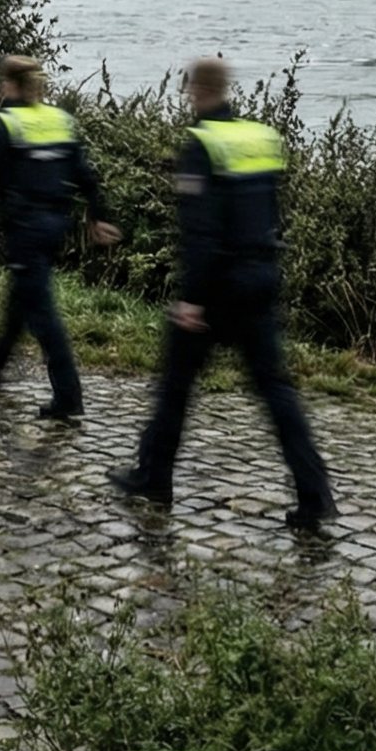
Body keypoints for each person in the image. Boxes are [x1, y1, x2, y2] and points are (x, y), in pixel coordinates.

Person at [107, 57, 336, 530]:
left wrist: (192, 298)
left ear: (194, 90)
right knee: (275, 390)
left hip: (216, 287)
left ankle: (153, 476)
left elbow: (202, 231)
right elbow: (273, 210)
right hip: (261, 275)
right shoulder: (259, 138)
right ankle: (315, 493)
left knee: (175, 385)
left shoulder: (201, 145)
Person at [0, 55, 123, 420]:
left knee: (42, 312)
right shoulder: (61, 120)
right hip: (56, 224)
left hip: (24, 226)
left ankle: (68, 395)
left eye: (2, 82)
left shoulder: (7, 124)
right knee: (24, 291)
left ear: (10, 84)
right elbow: (85, 174)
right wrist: (99, 215)